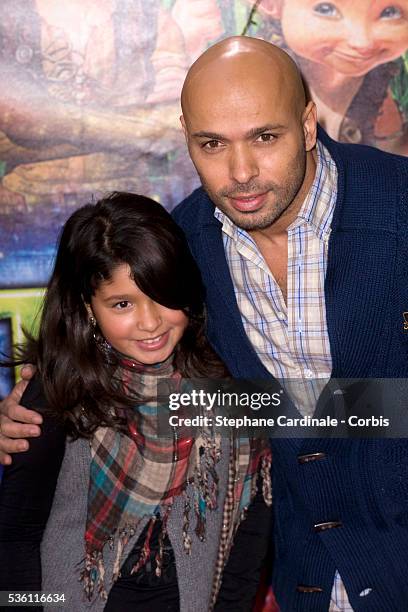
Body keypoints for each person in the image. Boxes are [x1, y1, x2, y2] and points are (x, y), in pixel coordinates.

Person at [1, 36, 408, 611]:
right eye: (212, 144)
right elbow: (118, 362)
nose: (241, 172)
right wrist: (31, 411)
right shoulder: (184, 246)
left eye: (265, 137)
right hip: (311, 581)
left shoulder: (398, 205)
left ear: (309, 124)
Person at [0, 192, 272, 612]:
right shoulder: (58, 391)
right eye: (122, 303)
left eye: (163, 295)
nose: (150, 323)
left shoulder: (227, 381)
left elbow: (250, 532)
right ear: (88, 307)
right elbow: (15, 536)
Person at [250, 0, 408, 154]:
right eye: (325, 9)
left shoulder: (383, 89)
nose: (361, 42)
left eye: (390, 12)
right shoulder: (260, 78)